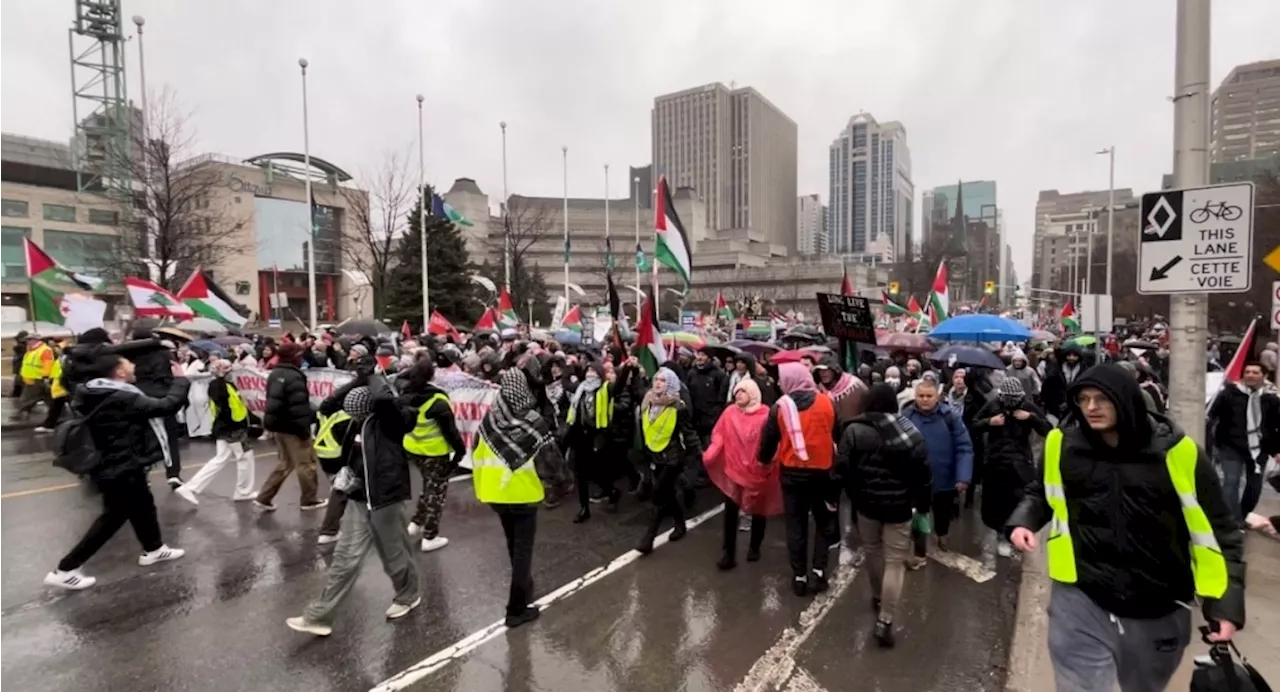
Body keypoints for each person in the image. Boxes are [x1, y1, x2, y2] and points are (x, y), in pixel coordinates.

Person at [1007, 364, 1245, 692]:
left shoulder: (1179, 453)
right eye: (1084, 399)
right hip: (1080, 598)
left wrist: (1226, 604)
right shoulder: (1062, 444)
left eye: (1102, 399)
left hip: (1158, 605)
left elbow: (1221, 531)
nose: (1091, 408)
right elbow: (1041, 493)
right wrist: (1023, 521)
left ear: (1128, 401)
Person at [286, 378, 420, 636]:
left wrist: (373, 376)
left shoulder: (390, 422)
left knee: (395, 557)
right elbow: (330, 406)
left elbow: (382, 400)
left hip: (385, 501)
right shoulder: (353, 424)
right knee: (344, 559)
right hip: (359, 499)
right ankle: (319, 616)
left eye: (356, 409)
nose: (351, 413)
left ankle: (408, 595)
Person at [43, 353, 190, 590]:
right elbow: (166, 406)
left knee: (144, 505)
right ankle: (66, 568)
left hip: (118, 462)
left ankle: (153, 548)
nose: (134, 366)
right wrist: (181, 380)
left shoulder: (94, 390)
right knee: (113, 518)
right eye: (128, 363)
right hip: (119, 466)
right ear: (119, 372)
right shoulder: (120, 397)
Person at [471, 368, 570, 628]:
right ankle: (516, 609)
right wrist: (562, 484)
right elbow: (551, 461)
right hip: (524, 496)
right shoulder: (533, 421)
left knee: (513, 544)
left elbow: (476, 454)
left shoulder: (488, 421)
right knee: (523, 551)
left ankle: (524, 586)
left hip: (494, 494)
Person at [836, 383, 931, 648]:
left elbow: (841, 468)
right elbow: (923, 477)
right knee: (895, 561)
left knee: (873, 551)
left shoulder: (854, 430)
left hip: (865, 504)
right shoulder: (910, 433)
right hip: (899, 507)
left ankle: (878, 596)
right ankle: (885, 620)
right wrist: (923, 506)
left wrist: (840, 495)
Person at [758, 362, 840, 597]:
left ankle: (799, 576)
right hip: (823, 474)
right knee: (824, 523)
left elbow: (768, 441)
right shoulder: (827, 401)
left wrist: (763, 460)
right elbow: (838, 434)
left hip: (792, 474)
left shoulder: (779, 408)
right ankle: (819, 571)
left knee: (796, 525)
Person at [704, 379, 781, 570]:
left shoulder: (765, 415)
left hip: (757, 471)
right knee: (730, 511)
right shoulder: (729, 413)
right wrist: (711, 452)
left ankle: (755, 546)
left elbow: (773, 442)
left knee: (758, 510)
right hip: (733, 469)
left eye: (743, 392)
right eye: (737, 391)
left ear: (753, 394)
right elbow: (719, 434)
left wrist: (768, 462)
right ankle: (728, 553)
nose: (738, 395)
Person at [970, 377, 1051, 557]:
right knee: (997, 502)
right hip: (996, 462)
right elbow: (974, 424)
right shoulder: (993, 405)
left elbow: (1048, 429)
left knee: (1020, 499)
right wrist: (989, 422)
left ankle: (1017, 534)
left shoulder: (1027, 406)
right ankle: (1001, 534)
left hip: (1021, 463)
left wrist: (1031, 418)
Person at [902, 378, 973, 559]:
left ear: (937, 396)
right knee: (919, 514)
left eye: (929, 396)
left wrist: (963, 477)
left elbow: (964, 447)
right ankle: (919, 551)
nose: (925, 399)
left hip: (944, 479)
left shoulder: (950, 417)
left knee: (942, 513)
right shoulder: (906, 417)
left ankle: (942, 535)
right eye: (921, 396)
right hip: (916, 479)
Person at [398, 360, 466, 551]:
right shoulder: (437, 401)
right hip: (435, 453)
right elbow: (451, 432)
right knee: (436, 493)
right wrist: (460, 451)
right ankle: (430, 535)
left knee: (428, 486)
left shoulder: (405, 393)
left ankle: (416, 523)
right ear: (431, 376)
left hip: (413, 449)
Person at [636, 366, 702, 554]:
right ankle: (680, 524)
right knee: (668, 493)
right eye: (656, 379)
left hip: (673, 457)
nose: (658, 383)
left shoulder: (678, 405)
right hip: (655, 455)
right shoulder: (648, 401)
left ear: (671, 384)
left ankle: (648, 539)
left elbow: (688, 432)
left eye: (663, 380)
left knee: (658, 494)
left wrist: (699, 454)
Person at [175, 359, 258, 505]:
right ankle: (243, 492)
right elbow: (223, 403)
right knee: (245, 457)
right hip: (231, 428)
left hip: (227, 427)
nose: (230, 371)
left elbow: (236, 405)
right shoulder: (216, 385)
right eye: (226, 368)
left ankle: (191, 487)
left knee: (220, 459)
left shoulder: (227, 384)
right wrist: (219, 377)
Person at [255, 342, 326, 511]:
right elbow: (298, 407)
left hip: (280, 426)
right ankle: (309, 499)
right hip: (294, 427)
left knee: (284, 463)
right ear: (294, 357)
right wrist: (304, 430)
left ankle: (264, 497)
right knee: (306, 464)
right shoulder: (294, 376)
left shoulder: (275, 373)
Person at [1208, 361, 1280, 522]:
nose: (1250, 375)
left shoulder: (1271, 399)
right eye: (1247, 372)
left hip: (1259, 449)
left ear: (1265, 376)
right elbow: (1212, 415)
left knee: (1254, 487)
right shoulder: (1229, 394)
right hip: (1230, 446)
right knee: (1230, 482)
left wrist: (1276, 450)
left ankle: (1243, 514)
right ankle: (1233, 521)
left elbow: (1276, 426)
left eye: (1255, 372)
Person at [564, 361, 624, 522]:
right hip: (579, 436)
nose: (590, 374)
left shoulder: (605, 388)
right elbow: (565, 382)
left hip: (597, 436)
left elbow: (619, 387)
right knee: (581, 474)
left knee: (596, 472)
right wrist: (569, 366)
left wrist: (629, 369)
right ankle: (584, 509)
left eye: (593, 371)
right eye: (588, 370)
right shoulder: (580, 388)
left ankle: (611, 491)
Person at [128, 328, 185, 487]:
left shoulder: (128, 356)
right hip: (163, 398)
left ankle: (144, 473)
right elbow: (172, 375)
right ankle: (173, 473)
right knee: (170, 437)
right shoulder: (164, 353)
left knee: (141, 438)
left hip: (138, 399)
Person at [686, 347, 729, 486]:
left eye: (703, 355)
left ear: (709, 358)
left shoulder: (718, 375)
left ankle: (709, 475)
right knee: (698, 449)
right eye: (699, 354)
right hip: (695, 418)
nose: (700, 357)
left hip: (711, 419)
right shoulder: (692, 373)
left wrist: (715, 413)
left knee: (710, 449)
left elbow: (721, 397)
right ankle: (701, 473)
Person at [13, 333, 54, 421]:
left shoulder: (45, 350)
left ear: (36, 340)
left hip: (38, 379)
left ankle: (22, 415)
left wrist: (45, 377)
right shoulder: (31, 350)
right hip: (30, 379)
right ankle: (59, 413)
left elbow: (48, 364)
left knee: (26, 398)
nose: (27, 342)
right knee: (47, 397)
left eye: (29, 340)